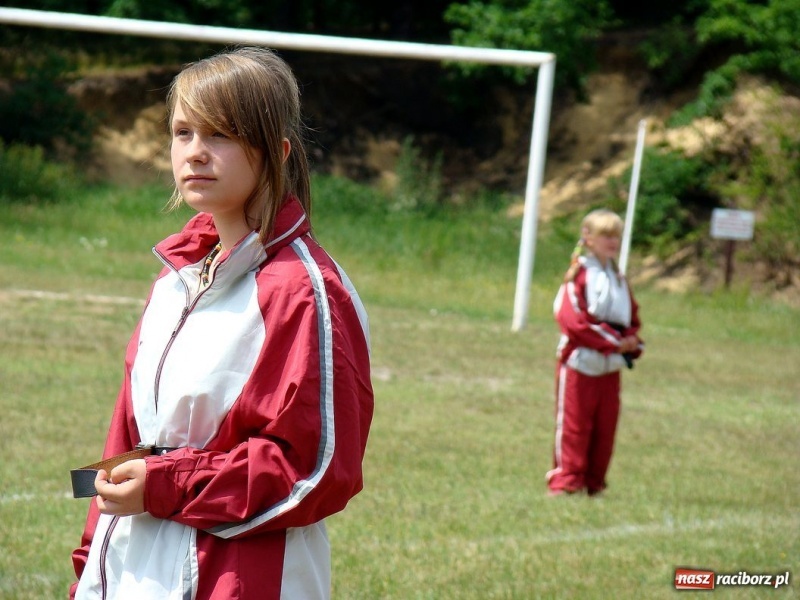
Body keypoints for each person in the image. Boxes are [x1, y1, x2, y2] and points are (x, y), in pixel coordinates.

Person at [70, 46, 374, 600]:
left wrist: (168, 484)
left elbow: (315, 469)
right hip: (134, 573)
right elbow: (128, 442)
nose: (196, 153)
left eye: (221, 135)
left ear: (276, 152)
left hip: (240, 579)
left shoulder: (306, 293)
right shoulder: (173, 280)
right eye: (183, 133)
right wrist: (91, 568)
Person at [545, 208, 643, 497]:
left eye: (616, 235)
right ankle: (566, 481)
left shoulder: (619, 279)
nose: (612, 241)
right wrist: (614, 341)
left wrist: (632, 343)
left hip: (609, 367)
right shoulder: (580, 276)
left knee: (604, 428)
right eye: (605, 235)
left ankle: (594, 482)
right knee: (575, 425)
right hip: (580, 363)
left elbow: (631, 319)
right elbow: (573, 320)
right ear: (588, 238)